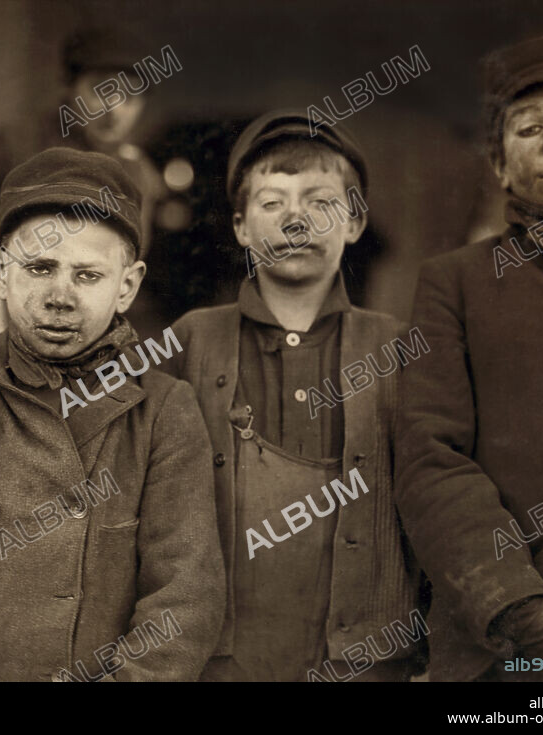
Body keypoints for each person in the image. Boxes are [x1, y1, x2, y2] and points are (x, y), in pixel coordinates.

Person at [0, 147, 225, 681]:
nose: (60, 296)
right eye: (39, 267)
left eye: (88, 275)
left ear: (127, 285)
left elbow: (183, 601)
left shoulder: (165, 412)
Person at [396, 27, 543, 682]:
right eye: (528, 128)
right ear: (499, 165)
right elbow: (431, 460)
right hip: (502, 654)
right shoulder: (453, 282)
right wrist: (529, 610)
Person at [160, 111, 428, 681]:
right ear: (239, 226)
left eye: (319, 201)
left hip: (366, 664)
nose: (296, 220)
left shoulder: (398, 349)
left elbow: (434, 503)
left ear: (355, 223)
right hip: (220, 663)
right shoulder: (189, 340)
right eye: (273, 202)